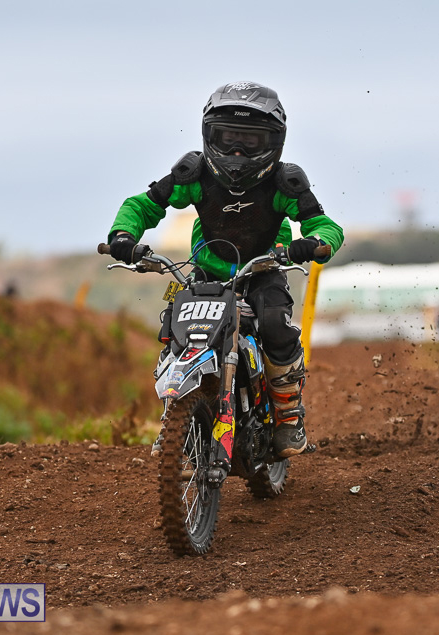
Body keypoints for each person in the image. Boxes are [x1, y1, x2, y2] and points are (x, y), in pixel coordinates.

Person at [106, 81, 344, 457]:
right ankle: (175, 416)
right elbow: (143, 205)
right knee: (176, 328)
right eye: (229, 137)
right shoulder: (195, 174)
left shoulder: (284, 182)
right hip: (206, 271)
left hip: (264, 268)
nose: (236, 150)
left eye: (250, 141)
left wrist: (314, 244)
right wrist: (123, 234)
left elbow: (325, 225)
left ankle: (288, 415)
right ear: (208, 134)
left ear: (274, 141)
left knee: (274, 324)